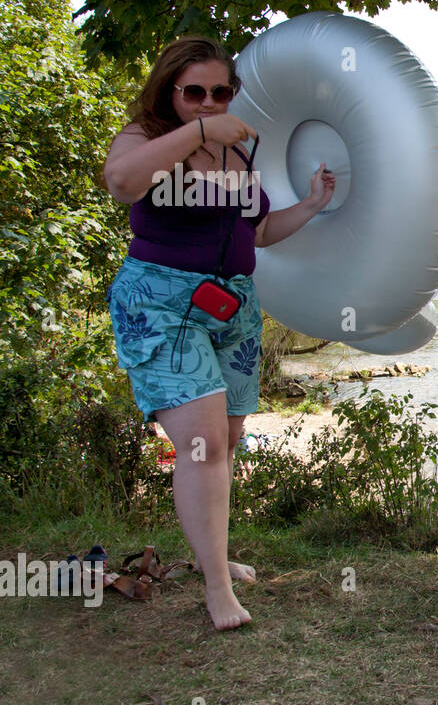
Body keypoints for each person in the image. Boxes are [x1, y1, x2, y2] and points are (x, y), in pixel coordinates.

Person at [102, 35, 335, 630]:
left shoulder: (239, 154)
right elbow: (123, 182)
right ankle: (215, 590)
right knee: (202, 443)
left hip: (233, 305)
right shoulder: (148, 137)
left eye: (221, 92)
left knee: (225, 443)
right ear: (170, 91)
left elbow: (254, 232)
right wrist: (202, 132)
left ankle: (216, 554)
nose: (209, 102)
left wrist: (309, 205)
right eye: (195, 92)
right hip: (161, 303)